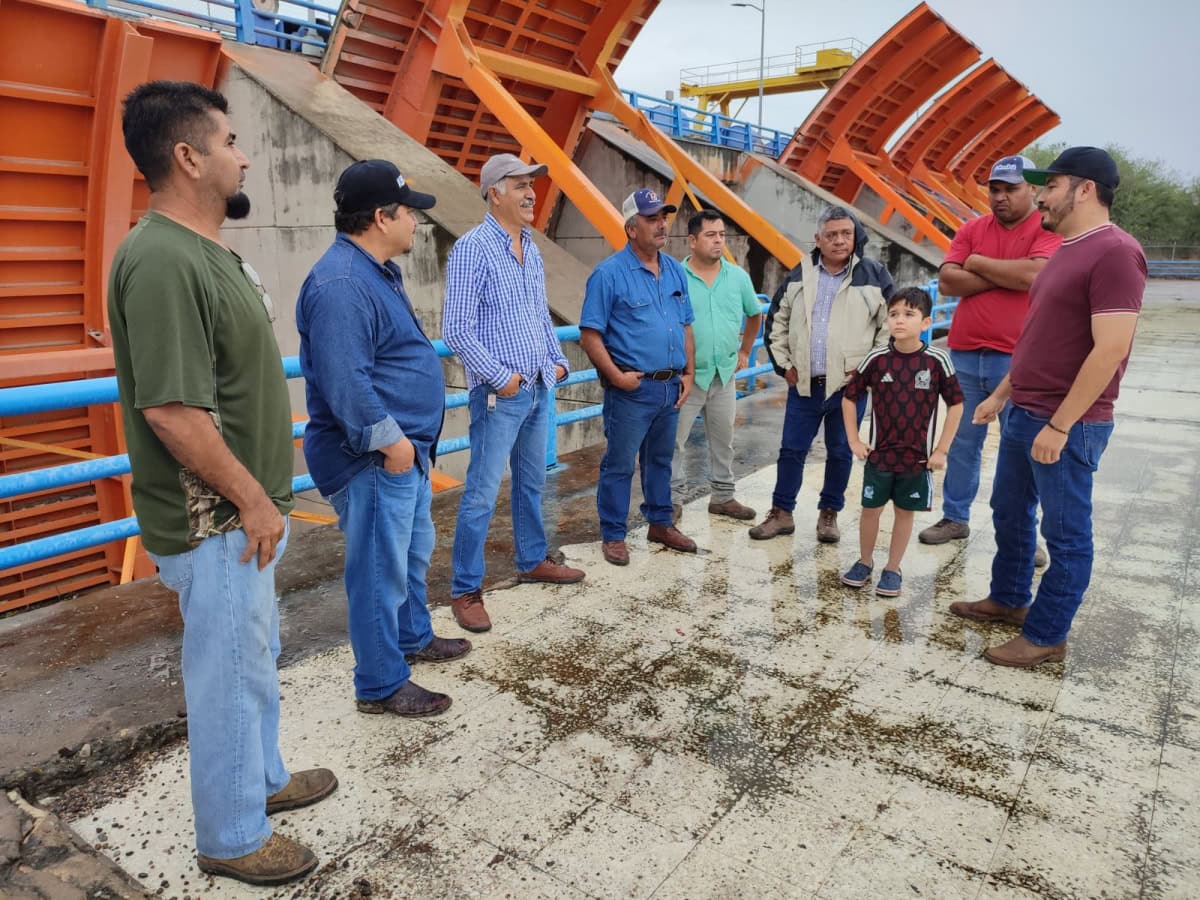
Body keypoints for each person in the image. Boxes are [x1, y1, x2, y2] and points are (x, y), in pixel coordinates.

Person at [109, 81, 335, 886]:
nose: (243, 155)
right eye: (231, 141)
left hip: (244, 515)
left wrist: (261, 499)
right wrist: (250, 496)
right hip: (215, 522)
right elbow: (171, 410)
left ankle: (262, 781)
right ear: (188, 156)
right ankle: (233, 836)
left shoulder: (205, 251)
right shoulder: (163, 259)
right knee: (228, 675)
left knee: (253, 657)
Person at [949, 147, 1146, 668]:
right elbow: (1039, 337)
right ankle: (1009, 598)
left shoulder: (1116, 253)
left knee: (1066, 535)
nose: (1040, 195)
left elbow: (1110, 348)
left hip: (1066, 421)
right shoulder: (1065, 249)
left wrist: (1061, 424)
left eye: (1051, 185)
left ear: (1084, 189)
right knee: (1010, 512)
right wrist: (1000, 394)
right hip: (1024, 409)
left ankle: (1046, 633)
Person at [297, 160, 472, 719]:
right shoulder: (343, 284)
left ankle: (412, 636)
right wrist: (392, 445)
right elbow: (346, 381)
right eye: (409, 213)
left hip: (405, 453)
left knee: (409, 555)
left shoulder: (373, 270)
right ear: (380, 217)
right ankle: (380, 683)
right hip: (374, 458)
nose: (416, 224)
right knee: (378, 571)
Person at [442, 153, 585, 633]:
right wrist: (499, 377)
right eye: (520, 184)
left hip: (540, 383)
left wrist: (557, 359)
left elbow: (538, 315)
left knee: (532, 482)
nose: (531, 193)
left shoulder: (531, 247)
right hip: (500, 394)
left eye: (532, 184)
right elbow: (457, 329)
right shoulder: (472, 249)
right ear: (494, 192)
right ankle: (465, 589)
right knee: (481, 493)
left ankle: (531, 559)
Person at [919, 156, 1061, 568]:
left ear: (1031, 190)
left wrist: (977, 265)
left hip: (1018, 358)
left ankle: (1024, 534)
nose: (1000, 197)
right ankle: (955, 517)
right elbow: (947, 280)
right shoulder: (972, 228)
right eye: (994, 190)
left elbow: (1036, 277)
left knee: (1020, 446)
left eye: (1010, 189)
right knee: (963, 441)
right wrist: (1007, 274)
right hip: (964, 352)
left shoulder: (1046, 228)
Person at [750, 206, 894, 543]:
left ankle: (829, 513)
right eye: (832, 235)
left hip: (848, 388)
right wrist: (784, 366)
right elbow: (777, 322)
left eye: (846, 234)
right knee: (790, 451)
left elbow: (889, 328)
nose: (840, 240)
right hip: (804, 385)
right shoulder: (800, 274)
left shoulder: (873, 275)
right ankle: (781, 512)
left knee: (841, 451)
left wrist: (867, 372)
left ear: (855, 236)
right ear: (818, 239)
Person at [579, 188, 698, 566]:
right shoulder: (608, 274)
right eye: (651, 218)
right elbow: (589, 334)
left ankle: (660, 522)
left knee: (661, 460)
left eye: (663, 216)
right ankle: (613, 534)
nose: (661, 224)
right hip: (633, 389)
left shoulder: (675, 269)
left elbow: (686, 324)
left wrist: (690, 372)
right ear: (631, 228)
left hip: (669, 386)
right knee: (619, 462)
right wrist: (615, 377)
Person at [840, 288, 964, 597]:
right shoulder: (877, 359)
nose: (899, 320)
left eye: (909, 314)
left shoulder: (937, 361)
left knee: (904, 513)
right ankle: (865, 562)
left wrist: (941, 450)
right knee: (870, 509)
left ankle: (893, 568)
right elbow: (849, 397)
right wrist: (854, 439)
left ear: (926, 322)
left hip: (917, 460)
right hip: (879, 456)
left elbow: (957, 405)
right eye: (894, 314)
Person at [670, 209, 763, 522]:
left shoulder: (737, 277)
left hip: (723, 375)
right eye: (711, 235)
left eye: (722, 235)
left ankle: (723, 497)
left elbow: (754, 313)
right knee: (674, 443)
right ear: (692, 241)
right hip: (687, 378)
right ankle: (671, 500)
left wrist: (745, 351)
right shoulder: (675, 277)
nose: (719, 241)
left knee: (724, 440)